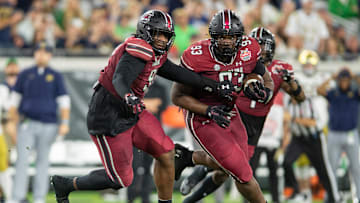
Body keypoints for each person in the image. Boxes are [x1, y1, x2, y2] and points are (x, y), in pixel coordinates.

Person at [50, 10, 235, 203]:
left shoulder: (157, 55)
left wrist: (216, 86)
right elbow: (120, 78)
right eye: (158, 34)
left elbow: (179, 74)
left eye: (166, 35)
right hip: (108, 114)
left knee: (166, 153)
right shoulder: (138, 49)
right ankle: (67, 185)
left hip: (132, 110)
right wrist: (128, 95)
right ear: (146, 32)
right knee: (121, 178)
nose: (163, 39)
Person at [175, 27, 305, 203]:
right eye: (257, 45)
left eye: (265, 46)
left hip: (256, 127)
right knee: (234, 168)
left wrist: (292, 82)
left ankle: (194, 165)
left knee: (227, 171)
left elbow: (300, 98)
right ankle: (194, 175)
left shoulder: (279, 70)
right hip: (236, 117)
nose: (261, 50)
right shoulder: (239, 63)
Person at [7, 42, 71, 203]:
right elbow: (14, 102)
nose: (41, 55)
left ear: (50, 55)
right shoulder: (25, 74)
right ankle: (17, 197)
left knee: (43, 162)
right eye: (38, 51)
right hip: (27, 123)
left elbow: (64, 101)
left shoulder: (55, 76)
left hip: (48, 125)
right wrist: (12, 124)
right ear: (34, 54)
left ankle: (39, 198)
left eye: (45, 52)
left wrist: (64, 122)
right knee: (22, 160)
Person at [282, 50, 340, 203]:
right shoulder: (291, 95)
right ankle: (296, 193)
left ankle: (335, 198)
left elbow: (313, 121)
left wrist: (294, 118)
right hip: (298, 137)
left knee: (323, 172)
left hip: (314, 137)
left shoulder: (313, 99)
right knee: (286, 161)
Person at [317, 67, 360, 202]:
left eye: (347, 80)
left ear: (350, 81)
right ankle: (331, 197)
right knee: (331, 169)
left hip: (351, 133)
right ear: (338, 80)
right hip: (334, 134)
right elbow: (319, 90)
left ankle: (358, 197)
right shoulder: (333, 93)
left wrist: (354, 77)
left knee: (356, 168)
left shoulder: (355, 93)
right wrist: (331, 77)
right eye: (342, 80)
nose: (344, 83)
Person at [0, 58, 19, 202]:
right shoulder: (3, 88)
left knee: (6, 165)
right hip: (5, 130)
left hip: (9, 131)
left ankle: (12, 196)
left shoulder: (6, 89)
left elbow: (10, 115)